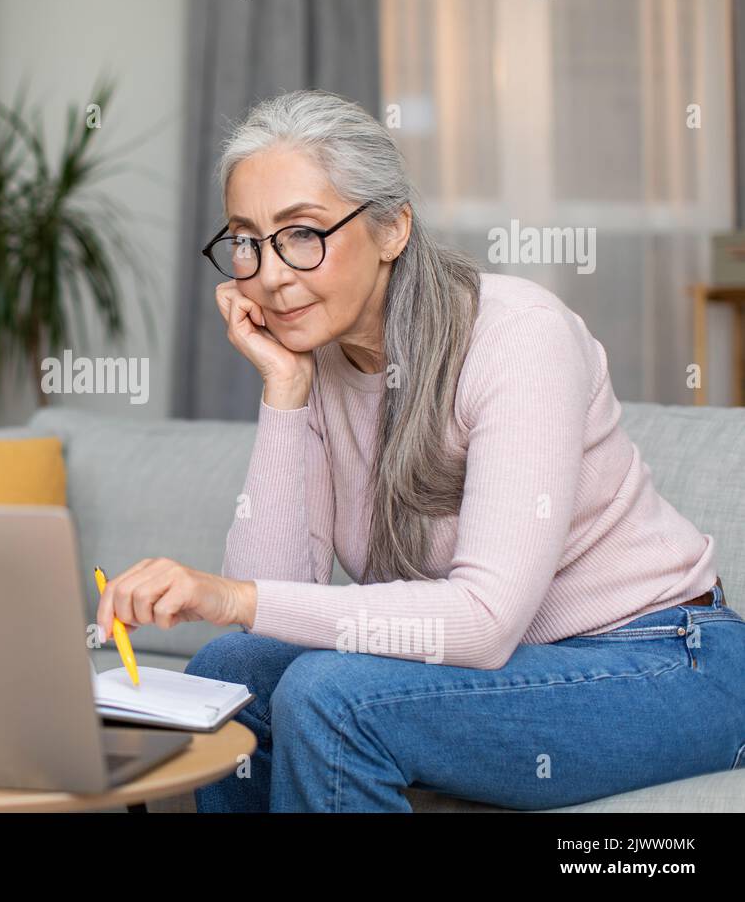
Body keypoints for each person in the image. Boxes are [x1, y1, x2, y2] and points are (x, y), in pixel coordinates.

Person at [94, 89, 745, 812]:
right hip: (520, 665)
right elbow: (271, 594)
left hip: (662, 659)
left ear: (392, 228)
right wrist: (285, 388)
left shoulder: (515, 335)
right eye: (246, 240)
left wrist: (232, 596)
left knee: (329, 698)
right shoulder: (319, 359)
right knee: (230, 668)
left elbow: (486, 619)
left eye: (302, 233)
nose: (271, 274)